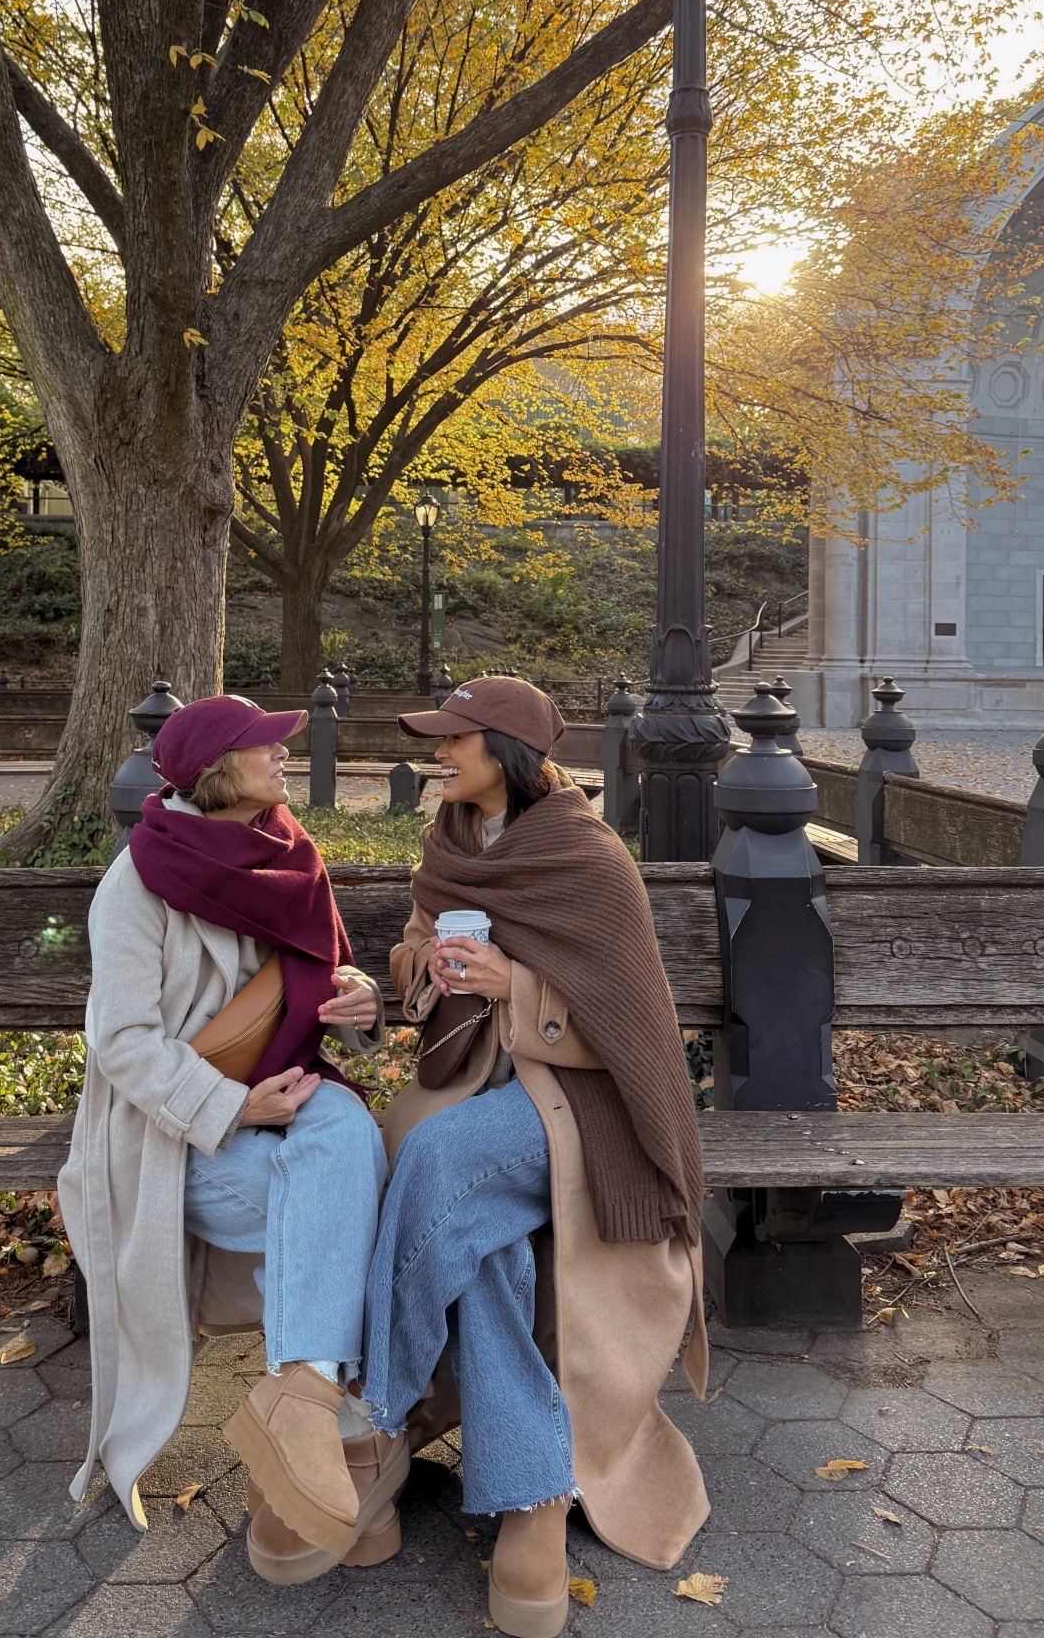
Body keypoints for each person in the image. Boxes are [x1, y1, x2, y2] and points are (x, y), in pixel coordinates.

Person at [363, 676, 709, 1638]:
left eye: (452, 740)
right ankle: (533, 1498)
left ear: (504, 751)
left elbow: (633, 1025)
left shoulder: (586, 858)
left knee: (437, 1164)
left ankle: (371, 1417)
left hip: (582, 1103)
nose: (437, 754)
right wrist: (424, 966)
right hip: (475, 1081)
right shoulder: (451, 843)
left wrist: (518, 984)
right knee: (488, 1252)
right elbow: (409, 953)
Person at [58, 693, 408, 1581]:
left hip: (293, 1095)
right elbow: (122, 1043)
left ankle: (301, 1405)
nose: (286, 757)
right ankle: (355, 1432)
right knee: (346, 1198)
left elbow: (324, 975)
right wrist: (234, 1109)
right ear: (219, 770)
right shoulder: (139, 882)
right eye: (269, 747)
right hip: (182, 1137)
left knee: (347, 1136)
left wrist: (360, 1001)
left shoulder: (289, 851)